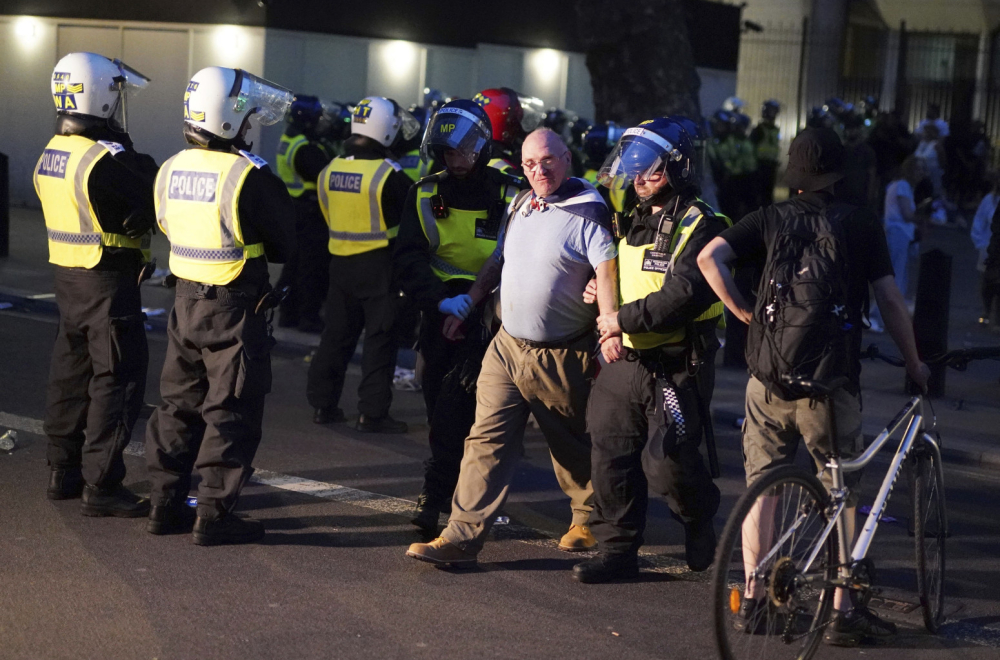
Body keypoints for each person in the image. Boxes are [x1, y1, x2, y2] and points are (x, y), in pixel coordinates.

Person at [697, 127, 931, 646]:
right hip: (829, 381)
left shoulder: (770, 217)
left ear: (795, 172)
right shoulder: (860, 222)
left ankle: (755, 601)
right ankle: (842, 610)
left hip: (768, 375)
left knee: (765, 489)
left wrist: (742, 312)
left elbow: (708, 257)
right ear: (839, 173)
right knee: (839, 492)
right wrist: (914, 362)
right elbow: (891, 300)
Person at [405, 128, 618, 566]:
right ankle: (461, 537)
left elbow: (608, 270)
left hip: (561, 352)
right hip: (505, 347)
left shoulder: (589, 209)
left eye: (547, 161)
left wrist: (611, 328)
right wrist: (469, 303)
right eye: (529, 164)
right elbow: (499, 259)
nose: (538, 171)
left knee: (569, 441)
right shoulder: (521, 202)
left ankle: (587, 517)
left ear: (567, 158)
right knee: (484, 440)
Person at [572, 118, 729, 583]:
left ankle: (698, 515)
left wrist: (618, 318)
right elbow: (620, 273)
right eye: (634, 171)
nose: (639, 180)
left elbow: (682, 295)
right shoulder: (629, 215)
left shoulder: (703, 223)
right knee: (609, 452)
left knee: (668, 463)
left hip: (677, 363)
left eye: (651, 172)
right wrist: (598, 292)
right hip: (626, 359)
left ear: (678, 169)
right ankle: (618, 551)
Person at [144, 67, 294, 544]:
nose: (253, 125)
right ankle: (212, 513)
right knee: (230, 408)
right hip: (234, 305)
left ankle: (163, 503)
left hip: (184, 300)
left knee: (177, 405)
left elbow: (168, 227)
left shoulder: (169, 168)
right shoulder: (247, 174)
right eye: (249, 116)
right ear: (231, 121)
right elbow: (286, 242)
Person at [394, 99, 526, 531]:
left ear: (483, 148)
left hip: (495, 316)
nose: (456, 161)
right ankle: (451, 494)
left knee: (476, 414)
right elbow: (409, 259)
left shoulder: (511, 192)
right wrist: (439, 300)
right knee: (439, 409)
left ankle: (442, 498)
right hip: (442, 315)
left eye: (464, 152)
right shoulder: (426, 192)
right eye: (448, 153)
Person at [36, 52, 157, 515]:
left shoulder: (53, 150)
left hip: (67, 279)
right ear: (102, 96)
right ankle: (102, 485)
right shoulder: (108, 159)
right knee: (117, 380)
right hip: (107, 281)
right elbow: (151, 185)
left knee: (69, 375)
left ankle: (60, 471)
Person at [307, 97, 417, 432]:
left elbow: (327, 215)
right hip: (380, 266)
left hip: (339, 264)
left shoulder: (330, 169)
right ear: (385, 132)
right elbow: (411, 226)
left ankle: (323, 406)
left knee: (335, 337)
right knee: (379, 340)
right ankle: (372, 413)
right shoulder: (390, 175)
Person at [274, 94, 335, 333]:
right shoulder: (305, 148)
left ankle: (287, 315)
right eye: (317, 117)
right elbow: (326, 175)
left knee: (293, 267)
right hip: (310, 214)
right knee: (312, 269)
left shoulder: (290, 139)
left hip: (295, 210)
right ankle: (308, 318)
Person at [472, 87, 544, 177]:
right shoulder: (508, 173)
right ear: (504, 128)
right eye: (516, 122)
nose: (518, 129)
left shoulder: (463, 159)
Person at [884, 156, 925, 301]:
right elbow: (907, 214)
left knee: (898, 272)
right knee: (898, 273)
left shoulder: (896, 185)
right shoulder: (903, 186)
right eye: (918, 169)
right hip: (898, 233)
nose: (921, 173)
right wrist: (925, 220)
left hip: (896, 233)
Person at [971, 175, 1000, 326]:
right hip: (991, 246)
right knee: (988, 281)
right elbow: (980, 221)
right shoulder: (990, 200)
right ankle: (987, 311)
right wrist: (981, 242)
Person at [749, 100, 781, 206]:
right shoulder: (758, 130)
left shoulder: (775, 129)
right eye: (772, 111)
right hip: (760, 166)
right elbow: (751, 149)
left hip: (771, 165)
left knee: (768, 194)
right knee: (759, 195)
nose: (774, 114)